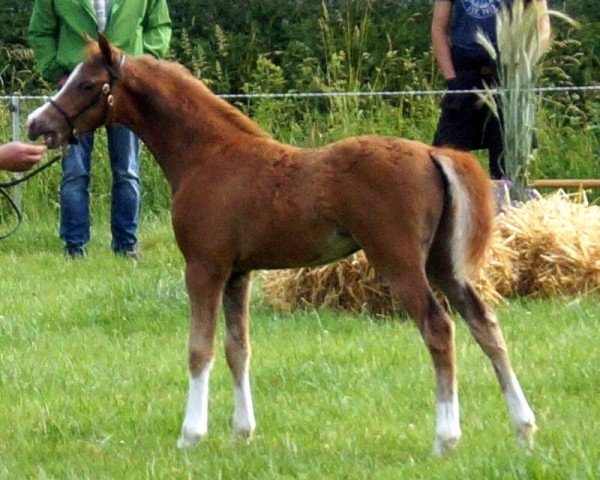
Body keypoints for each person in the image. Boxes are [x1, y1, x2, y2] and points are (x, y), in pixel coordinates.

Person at [29, 0, 172, 259]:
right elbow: (41, 32)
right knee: (74, 171)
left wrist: (141, 65)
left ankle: (126, 246)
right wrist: (57, 72)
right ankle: (74, 248)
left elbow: (159, 26)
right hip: (77, 91)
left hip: (125, 90)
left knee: (127, 170)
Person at [431, 0, 551, 180]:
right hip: (465, 75)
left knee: (509, 161)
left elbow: (542, 25)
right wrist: (451, 78)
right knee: (445, 157)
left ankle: (510, 205)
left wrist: (524, 68)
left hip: (509, 75)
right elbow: (438, 28)